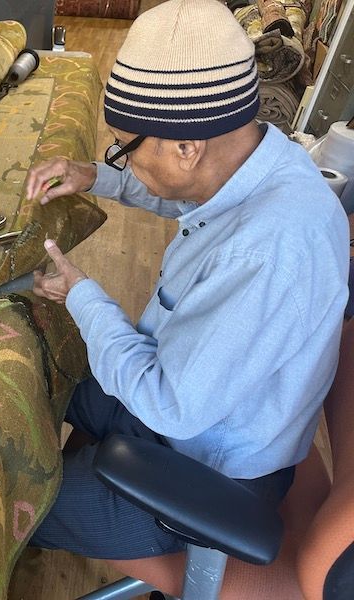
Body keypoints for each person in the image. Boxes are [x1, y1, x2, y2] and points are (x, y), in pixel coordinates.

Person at [24, 0, 350, 559]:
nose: (122, 161)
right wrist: (94, 175)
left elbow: (168, 403)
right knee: (39, 378)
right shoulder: (263, 162)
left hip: (206, 476)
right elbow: (186, 196)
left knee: (5, 508)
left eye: (123, 149)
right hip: (194, 409)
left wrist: (82, 296)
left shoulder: (268, 250)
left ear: (186, 146)